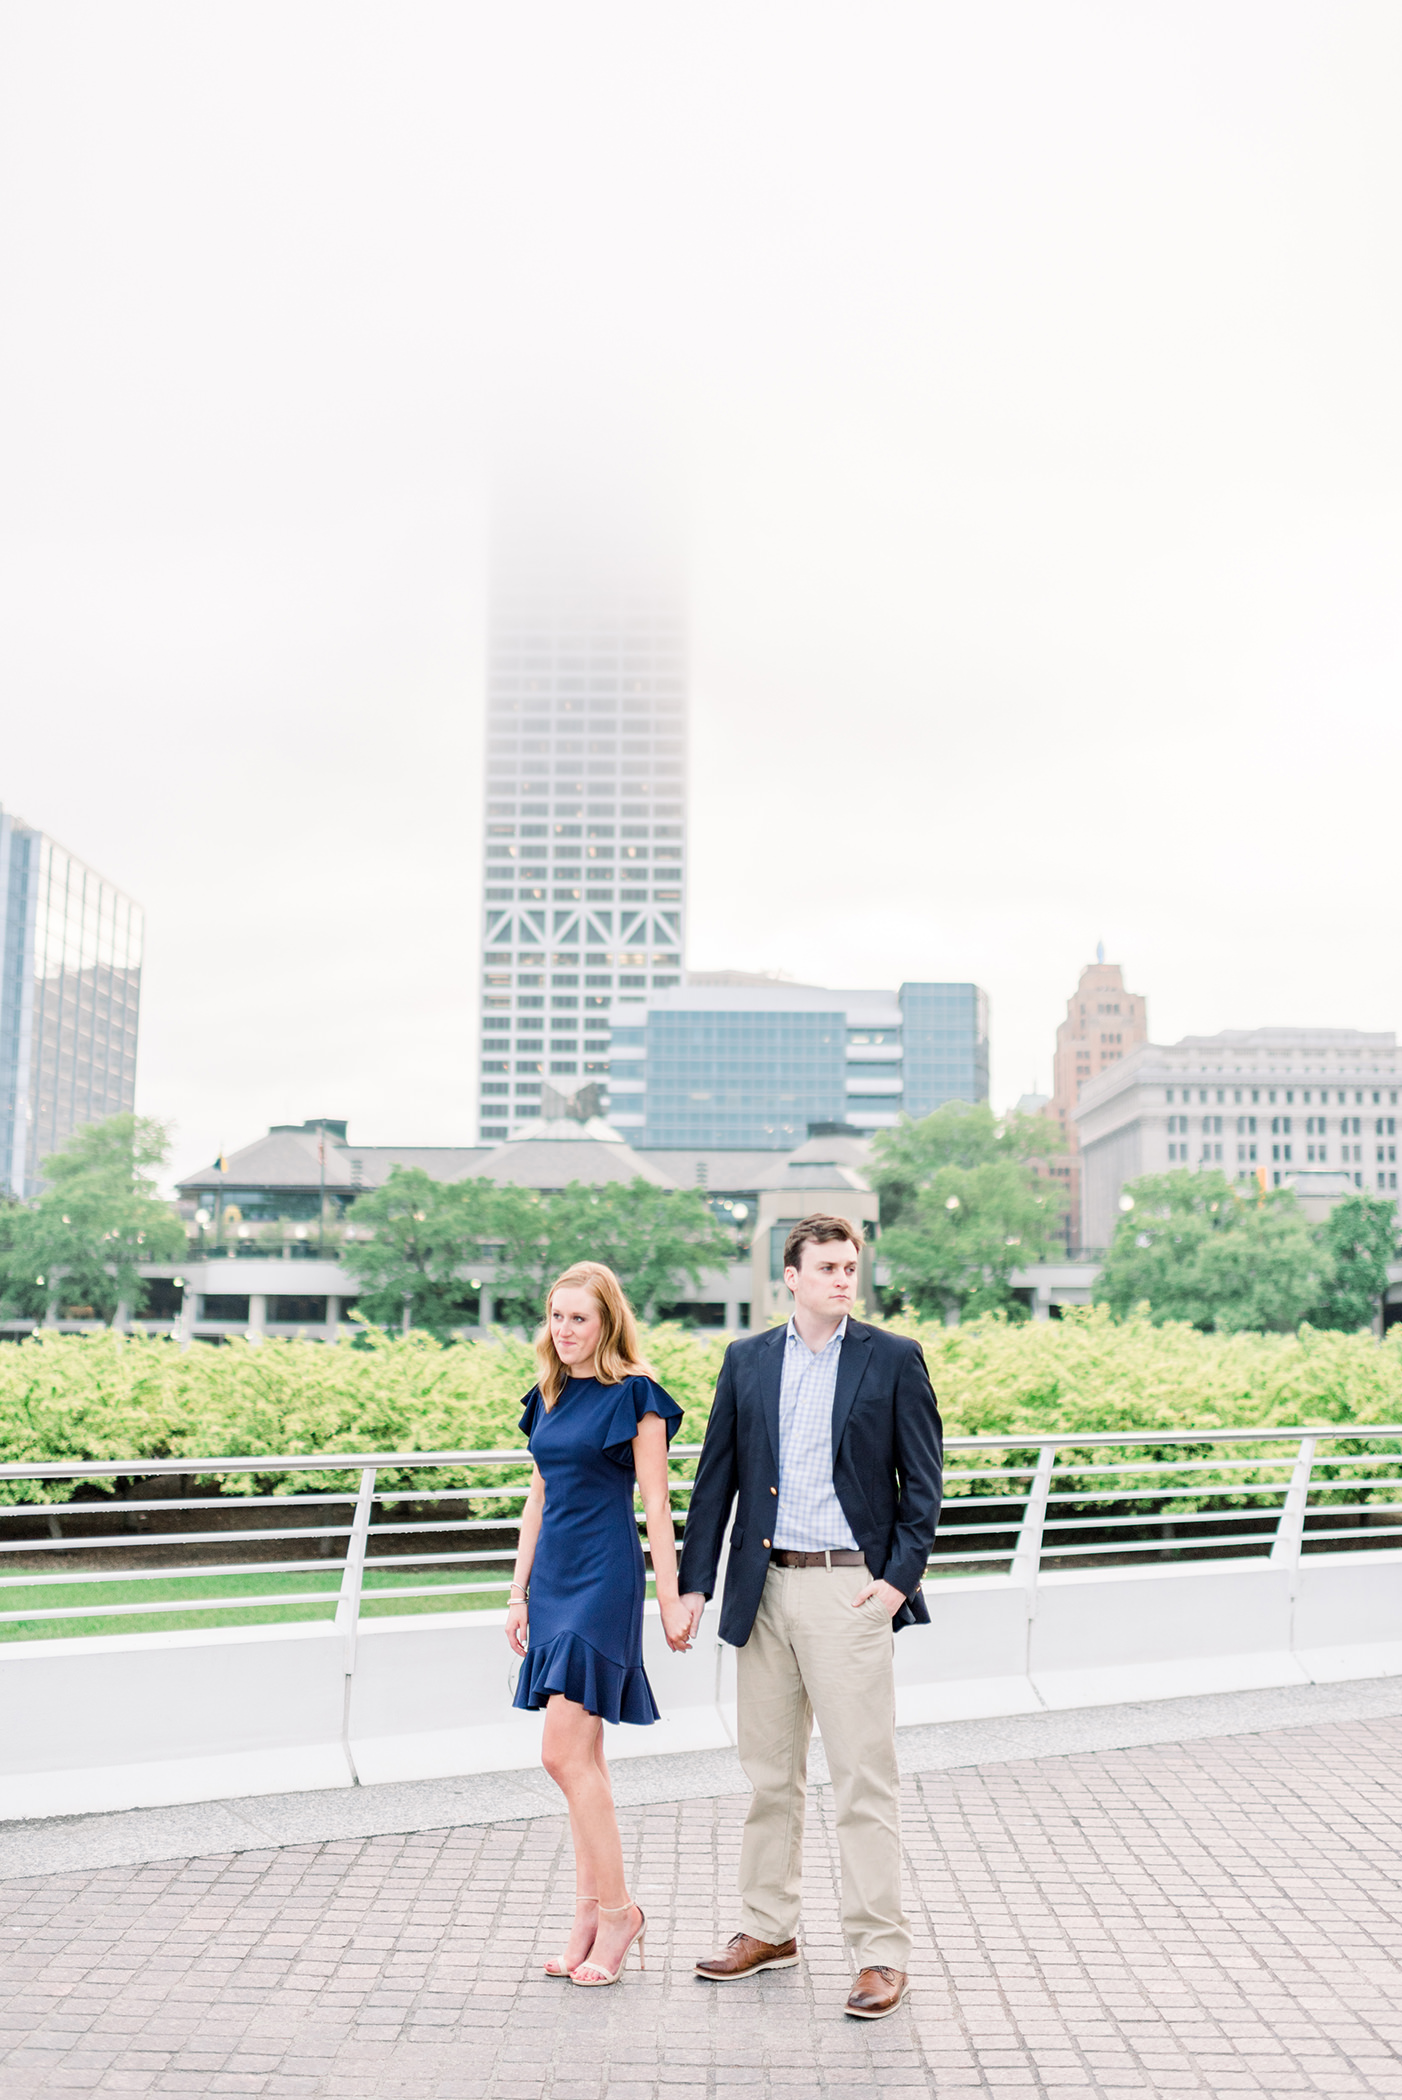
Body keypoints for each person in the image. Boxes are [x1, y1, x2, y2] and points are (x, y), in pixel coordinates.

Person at [677, 1214, 943, 2020]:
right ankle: (768, 1930)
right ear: (789, 1276)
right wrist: (694, 1585)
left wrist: (895, 1584)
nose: (842, 1277)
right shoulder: (747, 1359)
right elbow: (715, 1477)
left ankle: (880, 1956)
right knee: (768, 1778)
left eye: (850, 1265)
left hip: (848, 1591)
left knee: (863, 1778)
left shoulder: (892, 1359)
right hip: (765, 1591)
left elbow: (923, 1486)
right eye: (826, 1266)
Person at [505, 1260, 692, 1987]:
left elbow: (657, 1506)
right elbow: (537, 1500)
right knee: (584, 1758)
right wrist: (517, 1592)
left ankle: (618, 1914)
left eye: (579, 1317)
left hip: (604, 1580)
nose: (565, 1330)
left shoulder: (637, 1397)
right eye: (556, 1316)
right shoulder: (548, 1394)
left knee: (563, 1757)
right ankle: (589, 1913)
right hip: (551, 1583)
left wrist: (671, 1599)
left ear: (607, 1321)